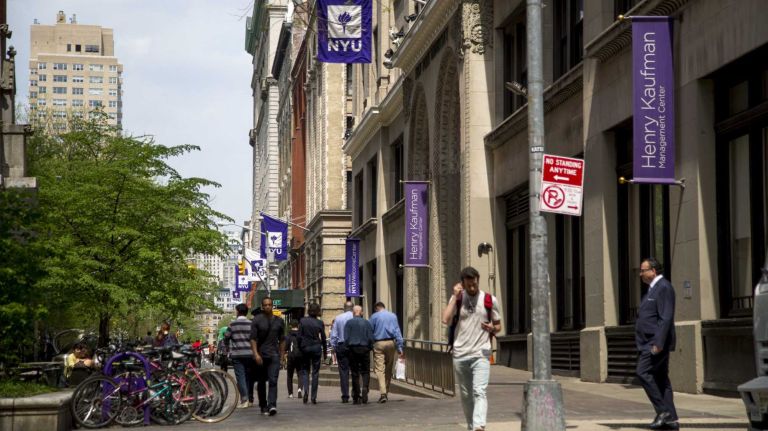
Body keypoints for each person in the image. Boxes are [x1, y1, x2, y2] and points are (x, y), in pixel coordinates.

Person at [441, 266, 501, 431]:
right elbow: (445, 319)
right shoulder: (458, 299)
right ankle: (471, 426)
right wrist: (454, 296)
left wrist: (492, 328)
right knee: (466, 395)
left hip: (481, 353)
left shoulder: (489, 300)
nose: (472, 287)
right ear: (463, 284)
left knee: (479, 391)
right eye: (469, 285)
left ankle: (478, 426)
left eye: (474, 284)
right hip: (460, 354)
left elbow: (498, 326)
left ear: (478, 280)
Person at [635, 257, 678, 430]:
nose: (640, 274)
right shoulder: (652, 289)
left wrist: (659, 342)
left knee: (642, 372)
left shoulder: (664, 287)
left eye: (643, 270)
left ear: (653, 271)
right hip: (647, 341)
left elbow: (665, 317)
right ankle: (671, 421)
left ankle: (663, 412)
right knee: (661, 379)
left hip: (655, 343)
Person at [250, 297, 285, 416]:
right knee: (261, 382)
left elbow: (282, 340)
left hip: (274, 355)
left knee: (273, 380)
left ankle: (272, 405)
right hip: (261, 355)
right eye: (265, 305)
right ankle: (263, 405)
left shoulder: (279, 321)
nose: (268, 307)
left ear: (272, 306)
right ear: (262, 306)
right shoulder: (257, 320)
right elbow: (253, 339)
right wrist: (256, 354)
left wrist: (282, 356)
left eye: (269, 304)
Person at [369, 301, 405, 403]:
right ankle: (386, 391)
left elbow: (370, 331)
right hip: (391, 343)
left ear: (376, 308)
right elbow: (397, 331)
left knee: (380, 369)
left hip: (379, 343)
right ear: (383, 307)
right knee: (389, 368)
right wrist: (400, 348)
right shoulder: (392, 316)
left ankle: (383, 393)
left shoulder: (374, 317)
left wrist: (370, 344)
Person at [225, 303, 255, 409]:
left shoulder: (232, 324)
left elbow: (226, 337)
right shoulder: (251, 324)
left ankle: (244, 399)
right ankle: (250, 399)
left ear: (237, 312)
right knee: (249, 377)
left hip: (237, 355)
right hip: (250, 354)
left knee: (241, 377)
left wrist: (228, 348)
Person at [344, 305, 374, 404]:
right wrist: (370, 347)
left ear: (353, 313)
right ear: (361, 313)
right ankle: (365, 387)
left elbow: (346, 338)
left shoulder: (349, 323)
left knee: (355, 372)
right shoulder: (367, 323)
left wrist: (347, 348)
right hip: (364, 349)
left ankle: (356, 394)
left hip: (353, 349)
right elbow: (371, 337)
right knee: (365, 371)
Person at [298, 302, 327, 404]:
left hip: (305, 348)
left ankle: (306, 390)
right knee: (315, 372)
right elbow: (323, 338)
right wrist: (325, 352)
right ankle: (313, 397)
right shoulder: (320, 323)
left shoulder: (303, 321)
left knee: (305, 371)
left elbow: (299, 336)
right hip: (316, 348)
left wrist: (300, 347)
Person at [330, 301, 354, 403]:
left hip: (342, 345)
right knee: (355, 370)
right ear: (352, 308)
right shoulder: (356, 317)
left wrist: (334, 346)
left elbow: (334, 335)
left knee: (343, 372)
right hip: (354, 345)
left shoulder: (338, 318)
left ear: (344, 308)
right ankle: (356, 393)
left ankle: (345, 395)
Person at [284, 320, 303, 399]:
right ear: (298, 325)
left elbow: (286, 346)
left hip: (291, 356)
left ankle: (290, 394)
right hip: (299, 356)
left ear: (291, 326)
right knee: (300, 373)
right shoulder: (300, 334)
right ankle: (299, 389)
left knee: (289, 375)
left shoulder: (288, 335)